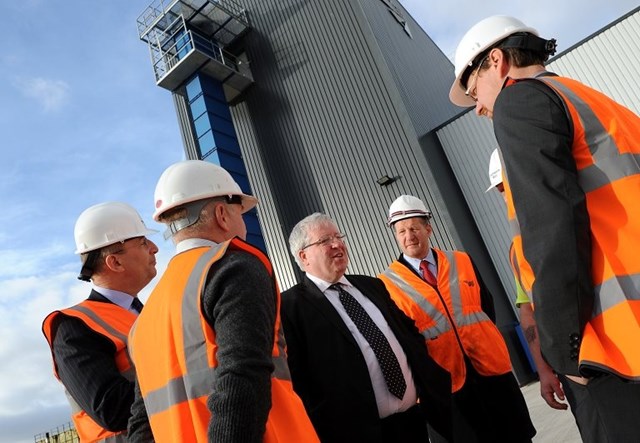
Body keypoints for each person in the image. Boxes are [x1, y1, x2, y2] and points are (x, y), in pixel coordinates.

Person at [450, 15, 640, 441]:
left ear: (496, 61)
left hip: (617, 350)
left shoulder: (521, 102)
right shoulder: (593, 100)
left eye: (472, 88)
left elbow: (552, 231)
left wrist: (564, 350)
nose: (478, 106)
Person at [126, 160, 318, 443]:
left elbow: (141, 422)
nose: (245, 224)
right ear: (221, 214)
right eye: (240, 213)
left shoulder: (145, 317)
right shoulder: (232, 266)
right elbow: (243, 377)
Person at [281, 212, 452, 443]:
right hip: (355, 434)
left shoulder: (372, 285)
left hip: (413, 422)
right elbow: (298, 378)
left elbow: (408, 334)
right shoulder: (290, 307)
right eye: (324, 241)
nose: (337, 244)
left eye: (338, 236)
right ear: (303, 257)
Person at [379, 195, 535, 443]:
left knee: (516, 436)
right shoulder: (386, 285)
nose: (409, 236)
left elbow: (486, 307)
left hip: (490, 372)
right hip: (445, 387)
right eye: (401, 232)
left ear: (428, 228)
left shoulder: (462, 260)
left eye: (414, 228)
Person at [42, 201, 159, 442]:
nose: (155, 248)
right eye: (143, 242)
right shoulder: (73, 327)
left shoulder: (152, 313)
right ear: (115, 262)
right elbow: (112, 410)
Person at [487, 149, 579, 413]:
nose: (506, 196)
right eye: (500, 190)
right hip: (570, 367)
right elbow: (527, 312)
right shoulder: (516, 251)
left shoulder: (572, 220)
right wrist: (542, 369)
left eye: (508, 186)